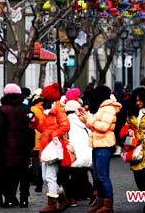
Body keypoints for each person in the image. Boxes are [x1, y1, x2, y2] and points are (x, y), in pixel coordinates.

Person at [77, 85, 121, 213]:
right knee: (97, 176)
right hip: (97, 144)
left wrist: (89, 119)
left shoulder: (108, 108)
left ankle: (108, 206)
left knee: (102, 176)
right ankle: (101, 203)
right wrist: (84, 117)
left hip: (104, 145)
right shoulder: (102, 108)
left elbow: (103, 127)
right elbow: (93, 126)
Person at [0, 83, 33, 208]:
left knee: (9, 174)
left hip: (7, 146)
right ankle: (24, 200)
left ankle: (9, 199)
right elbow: (30, 128)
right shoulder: (26, 108)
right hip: (24, 146)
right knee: (24, 173)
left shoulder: (3, 109)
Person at [32, 82, 70, 212]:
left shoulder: (57, 110)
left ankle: (52, 204)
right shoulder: (49, 111)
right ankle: (63, 199)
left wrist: (53, 134)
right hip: (47, 147)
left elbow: (65, 126)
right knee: (46, 177)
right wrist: (34, 122)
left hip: (53, 147)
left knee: (49, 176)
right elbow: (43, 128)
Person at [63, 98, 93, 207]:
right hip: (87, 153)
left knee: (69, 176)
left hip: (73, 154)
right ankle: (92, 193)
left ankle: (72, 198)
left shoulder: (65, 121)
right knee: (83, 175)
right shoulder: (85, 120)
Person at [29, 93, 44, 193]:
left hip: (35, 137)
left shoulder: (33, 109)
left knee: (35, 160)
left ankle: (36, 179)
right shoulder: (46, 108)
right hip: (45, 137)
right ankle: (41, 179)